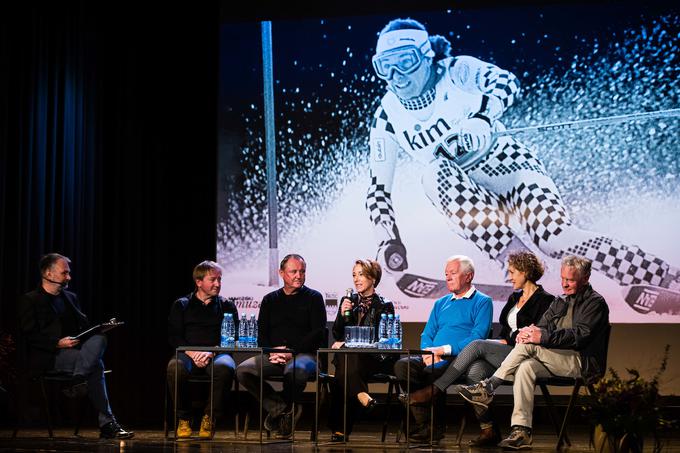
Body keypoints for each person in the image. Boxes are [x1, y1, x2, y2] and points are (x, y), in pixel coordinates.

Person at [366, 18, 679, 309]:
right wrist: (389, 239)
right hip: (466, 189)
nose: (397, 77)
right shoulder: (387, 115)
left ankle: (659, 274)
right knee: (433, 174)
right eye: (385, 67)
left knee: (556, 239)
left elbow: (506, 83)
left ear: (426, 54)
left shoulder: (456, 71)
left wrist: (481, 118)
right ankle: (515, 263)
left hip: (510, 170)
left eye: (405, 62)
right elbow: (378, 191)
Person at [459, 255, 610, 449]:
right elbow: (542, 326)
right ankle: (521, 432)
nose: (564, 284)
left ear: (586, 278)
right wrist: (528, 332)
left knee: (529, 346)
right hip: (556, 358)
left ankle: (488, 388)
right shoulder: (561, 301)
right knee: (525, 366)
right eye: (562, 278)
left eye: (570, 280)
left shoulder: (595, 303)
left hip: (582, 362)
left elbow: (580, 336)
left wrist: (539, 337)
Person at [406, 251, 553, 446]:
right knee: (475, 372)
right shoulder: (514, 298)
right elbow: (507, 330)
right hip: (506, 351)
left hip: (526, 354)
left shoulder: (546, 300)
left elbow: (540, 331)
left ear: (525, 272)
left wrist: (511, 338)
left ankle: (435, 389)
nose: (509, 277)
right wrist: (507, 338)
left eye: (512, 272)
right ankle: (489, 429)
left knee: (476, 344)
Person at [16, 253, 134, 439]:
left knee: (100, 340)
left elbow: (84, 328)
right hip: (50, 356)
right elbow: (28, 336)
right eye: (65, 273)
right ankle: (107, 424)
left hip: (77, 354)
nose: (69, 277)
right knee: (97, 366)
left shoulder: (70, 298)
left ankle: (77, 379)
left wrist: (102, 328)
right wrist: (57, 343)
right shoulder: (30, 300)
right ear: (48, 273)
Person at [393, 255, 492, 442]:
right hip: (433, 356)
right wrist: (427, 353)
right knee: (402, 366)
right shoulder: (441, 303)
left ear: (468, 276)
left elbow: (477, 338)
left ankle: (435, 428)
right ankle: (426, 426)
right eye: (446, 274)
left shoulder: (482, 302)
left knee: (435, 371)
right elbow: (427, 334)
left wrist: (444, 350)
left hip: (460, 358)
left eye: (453, 273)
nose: (447, 278)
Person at [235, 254, 327, 439]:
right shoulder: (270, 299)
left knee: (295, 370)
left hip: (304, 355)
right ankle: (282, 409)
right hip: (274, 355)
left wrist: (291, 353)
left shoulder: (314, 298)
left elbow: (317, 333)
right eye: (294, 271)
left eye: (302, 271)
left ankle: (284, 413)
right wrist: (273, 352)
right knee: (243, 371)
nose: (298, 276)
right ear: (281, 273)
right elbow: (261, 334)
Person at [166, 260, 238, 438]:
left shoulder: (226, 305)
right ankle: (183, 419)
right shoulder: (182, 304)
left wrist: (211, 352)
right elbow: (174, 336)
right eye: (213, 280)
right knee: (175, 368)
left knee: (225, 367)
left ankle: (209, 418)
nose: (218, 284)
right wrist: (192, 352)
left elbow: (233, 338)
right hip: (187, 353)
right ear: (199, 282)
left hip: (217, 353)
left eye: (219, 279)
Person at [327, 259, 396, 442]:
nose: (356, 279)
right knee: (347, 363)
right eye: (354, 275)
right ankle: (361, 395)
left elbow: (384, 339)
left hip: (373, 358)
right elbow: (336, 333)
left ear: (373, 278)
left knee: (343, 371)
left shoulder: (384, 304)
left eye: (361, 274)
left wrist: (349, 345)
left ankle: (340, 429)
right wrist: (342, 315)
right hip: (351, 360)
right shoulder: (347, 301)